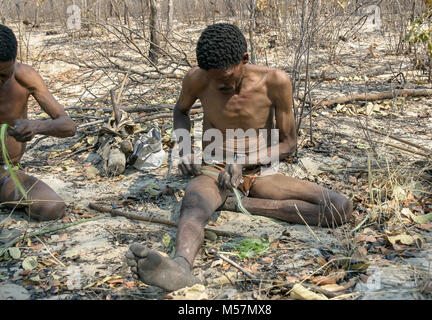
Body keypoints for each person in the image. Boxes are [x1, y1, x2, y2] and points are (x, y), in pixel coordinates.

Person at [126, 23, 353, 291]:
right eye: (214, 79)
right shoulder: (197, 78)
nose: (220, 85)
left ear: (244, 59)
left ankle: (238, 204)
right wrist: (185, 147)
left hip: (261, 171)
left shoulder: (275, 82)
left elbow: (289, 143)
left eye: (226, 77)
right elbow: (180, 111)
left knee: (340, 207)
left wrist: (242, 162)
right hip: (215, 169)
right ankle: (180, 266)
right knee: (194, 205)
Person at [0, 24, 76, 221]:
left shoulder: (24, 77)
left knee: (52, 207)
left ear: (14, 62)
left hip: (4, 173)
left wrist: (36, 126)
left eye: (2, 75)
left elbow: (68, 126)